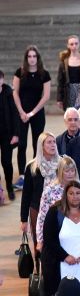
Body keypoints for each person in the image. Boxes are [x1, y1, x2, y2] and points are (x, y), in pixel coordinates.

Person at [13, 45, 52, 185]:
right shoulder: (20, 72)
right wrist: (22, 112)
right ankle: (23, 175)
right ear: (26, 58)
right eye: (29, 56)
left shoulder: (44, 74)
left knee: (38, 143)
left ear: (38, 58)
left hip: (37, 112)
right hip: (22, 113)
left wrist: (32, 112)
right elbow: (15, 93)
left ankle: (36, 172)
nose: (32, 59)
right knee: (22, 144)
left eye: (34, 56)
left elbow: (46, 96)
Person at [20, 131, 59, 245]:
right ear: (41, 146)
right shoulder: (32, 167)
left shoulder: (61, 164)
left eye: (54, 142)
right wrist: (23, 220)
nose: (53, 145)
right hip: (37, 208)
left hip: (57, 209)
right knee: (39, 243)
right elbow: (26, 194)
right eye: (49, 142)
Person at [36, 156, 80, 249]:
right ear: (60, 172)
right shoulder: (50, 190)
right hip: (54, 234)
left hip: (76, 234)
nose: (70, 174)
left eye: (72, 171)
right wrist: (40, 240)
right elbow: (42, 216)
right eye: (67, 171)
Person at [56, 36, 80, 112]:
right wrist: (59, 98)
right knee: (70, 114)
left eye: (76, 43)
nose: (74, 46)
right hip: (68, 91)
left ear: (79, 44)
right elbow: (60, 81)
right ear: (68, 45)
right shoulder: (64, 62)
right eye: (71, 44)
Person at [0, 70, 19, 199]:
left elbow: (15, 115)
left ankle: (9, 186)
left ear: (2, 80)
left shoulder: (9, 93)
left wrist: (16, 134)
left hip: (7, 135)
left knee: (6, 162)